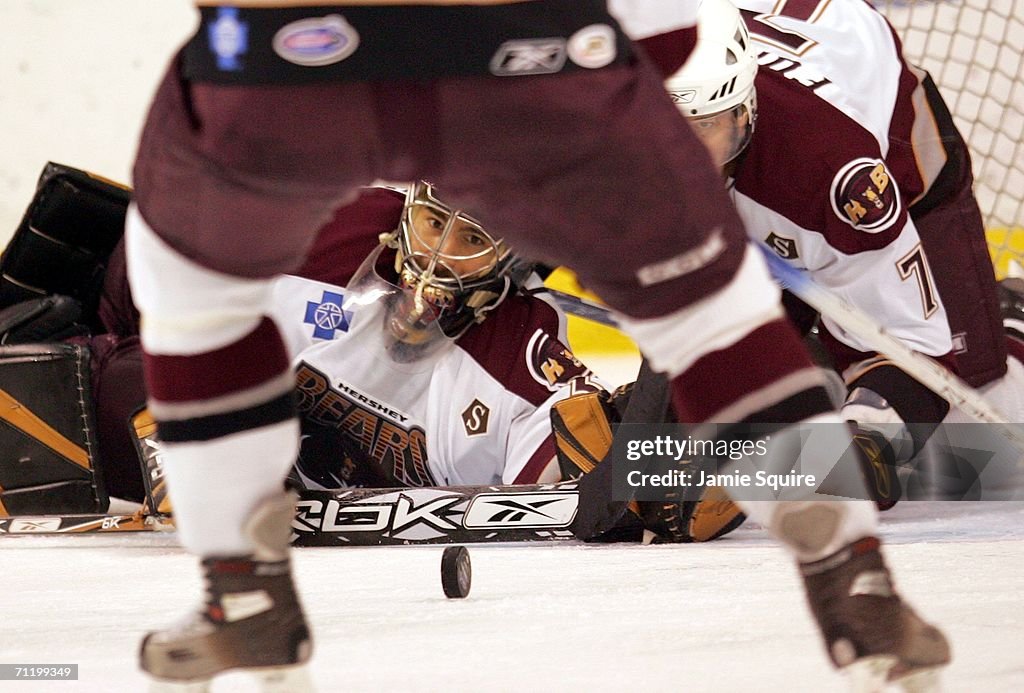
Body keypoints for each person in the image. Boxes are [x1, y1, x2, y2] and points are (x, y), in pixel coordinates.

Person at [125, 1, 948, 690]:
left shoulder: (518, 356)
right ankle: (852, 574)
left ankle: (242, 590)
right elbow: (660, 38)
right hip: (527, 62)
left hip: (307, 63)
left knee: (191, 278)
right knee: (705, 306)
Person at [663, 0, 1024, 506]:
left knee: (968, 443)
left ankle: (1012, 321)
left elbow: (914, 341)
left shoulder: (836, 176)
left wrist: (867, 439)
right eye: (671, 132)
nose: (692, 163)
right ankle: (818, 364)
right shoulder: (606, 124)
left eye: (706, 128)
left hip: (902, 162)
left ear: (746, 111)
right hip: (780, 169)